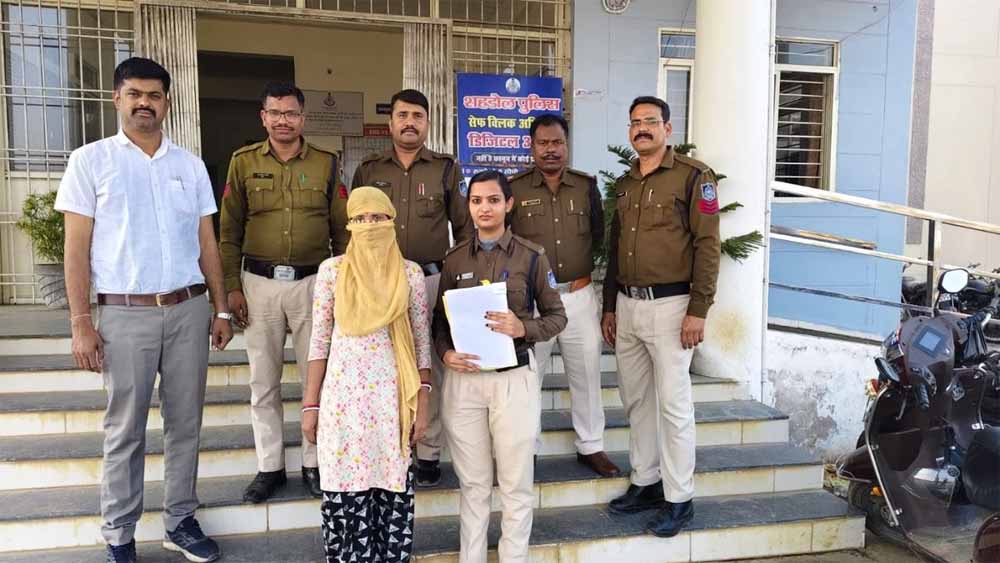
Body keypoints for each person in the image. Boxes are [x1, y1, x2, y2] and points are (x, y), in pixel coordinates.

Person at [56, 57, 233, 563]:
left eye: (154, 96)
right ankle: (119, 533)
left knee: (186, 424)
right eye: (134, 94)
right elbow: (76, 249)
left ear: (167, 103)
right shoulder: (90, 161)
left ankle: (180, 521)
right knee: (125, 429)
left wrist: (221, 309)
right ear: (117, 98)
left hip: (187, 309)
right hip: (124, 315)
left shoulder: (189, 165)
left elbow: (207, 242)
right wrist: (80, 322)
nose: (144, 104)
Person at [219, 82, 350, 503]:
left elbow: (342, 232)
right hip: (258, 285)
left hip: (315, 284)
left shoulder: (326, 163)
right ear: (263, 117)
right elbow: (228, 232)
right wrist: (232, 288)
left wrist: (342, 287)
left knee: (319, 378)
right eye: (274, 113)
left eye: (290, 113)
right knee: (264, 381)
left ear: (303, 118)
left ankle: (315, 462)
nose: (283, 121)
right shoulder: (242, 162)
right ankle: (270, 466)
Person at [601, 96, 721, 538]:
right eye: (635, 122)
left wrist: (698, 310)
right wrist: (609, 305)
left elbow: (708, 245)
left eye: (650, 121)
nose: (642, 128)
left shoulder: (693, 177)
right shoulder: (625, 184)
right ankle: (646, 481)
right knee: (635, 399)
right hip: (628, 305)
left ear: (668, 129)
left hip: (672, 307)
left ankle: (679, 498)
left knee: (673, 406)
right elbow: (615, 250)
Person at [434, 170, 567, 563]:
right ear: (468, 206)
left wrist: (522, 327)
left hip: (513, 380)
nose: (484, 208)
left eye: (493, 200)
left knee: (515, 485)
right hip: (465, 381)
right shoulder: (455, 259)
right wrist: (445, 354)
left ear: (509, 204)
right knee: (474, 485)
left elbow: (557, 317)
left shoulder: (532, 256)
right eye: (476, 201)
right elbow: (439, 322)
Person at [301, 186, 432, 563]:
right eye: (360, 218)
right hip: (343, 405)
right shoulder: (332, 272)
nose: (369, 225)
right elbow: (319, 341)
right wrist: (310, 405)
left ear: (391, 221)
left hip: (393, 403)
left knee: (391, 492)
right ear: (349, 225)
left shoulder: (410, 274)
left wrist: (423, 403)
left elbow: (421, 342)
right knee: (346, 491)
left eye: (377, 217)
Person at [353, 88, 473, 487]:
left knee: (429, 367)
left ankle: (428, 451)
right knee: (382, 366)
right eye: (402, 115)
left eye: (417, 116)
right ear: (390, 122)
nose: (409, 123)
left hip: (430, 280)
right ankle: (389, 446)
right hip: (379, 284)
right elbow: (354, 227)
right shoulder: (369, 169)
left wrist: (460, 282)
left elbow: (465, 230)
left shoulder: (445, 169)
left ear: (427, 123)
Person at [508, 113, 620, 478]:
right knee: (529, 378)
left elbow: (598, 237)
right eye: (543, 143)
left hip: (579, 295)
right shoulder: (515, 189)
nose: (551, 149)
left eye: (557, 142)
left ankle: (591, 445)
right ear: (531, 147)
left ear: (566, 145)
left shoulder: (585, 187)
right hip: (534, 303)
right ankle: (527, 449)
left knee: (586, 373)